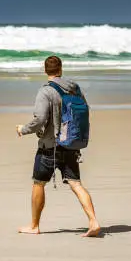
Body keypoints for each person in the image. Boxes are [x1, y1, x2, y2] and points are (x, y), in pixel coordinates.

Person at [15, 55, 101, 237]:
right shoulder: (74, 88)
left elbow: (40, 120)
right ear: (61, 69)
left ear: (45, 70)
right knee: (76, 184)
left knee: (38, 184)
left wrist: (23, 129)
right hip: (70, 144)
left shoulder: (45, 91)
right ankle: (93, 221)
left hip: (50, 147)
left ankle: (34, 225)